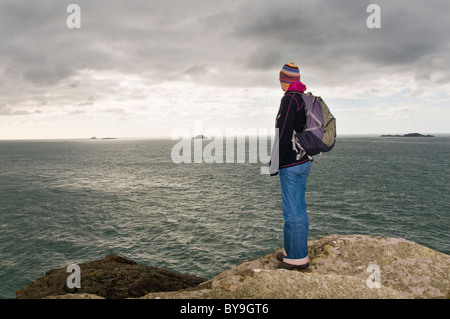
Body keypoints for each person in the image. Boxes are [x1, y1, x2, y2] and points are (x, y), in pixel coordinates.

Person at [269, 62, 312, 270]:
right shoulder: (303, 98)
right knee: (298, 207)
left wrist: (274, 163)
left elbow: (284, 133)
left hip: (291, 164)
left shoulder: (289, 99)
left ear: (284, 81)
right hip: (305, 160)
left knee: (292, 212)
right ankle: (291, 250)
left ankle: (296, 259)